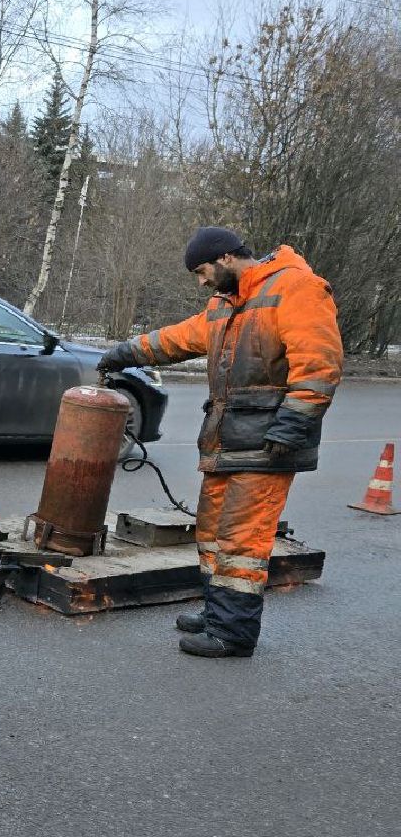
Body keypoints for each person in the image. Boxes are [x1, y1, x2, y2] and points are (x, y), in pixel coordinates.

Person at [98, 227, 342, 658]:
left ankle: (233, 633)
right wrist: (126, 352)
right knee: (211, 532)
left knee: (242, 540)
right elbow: (177, 338)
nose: (201, 281)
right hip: (225, 440)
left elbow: (319, 364)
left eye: (202, 271)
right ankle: (218, 611)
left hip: (268, 444)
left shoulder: (296, 287)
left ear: (227, 258)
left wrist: (291, 426)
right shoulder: (225, 304)